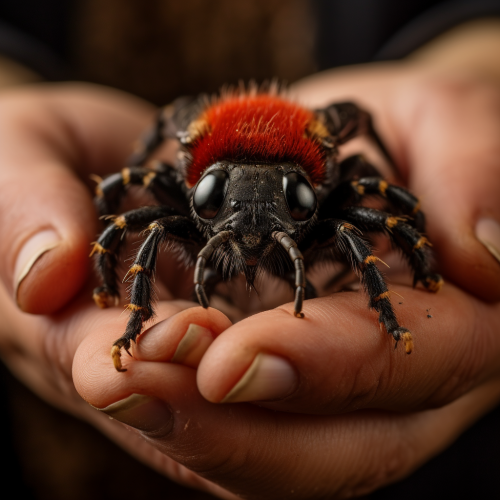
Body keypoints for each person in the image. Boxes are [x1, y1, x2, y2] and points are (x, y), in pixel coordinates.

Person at [1, 2, 500, 498]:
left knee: (362, 222)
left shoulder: (329, 198)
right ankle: (131, 313)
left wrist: (477, 68)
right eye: (216, 202)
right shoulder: (181, 159)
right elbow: (135, 179)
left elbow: (372, 161)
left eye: (298, 203)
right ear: (191, 181)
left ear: (317, 188)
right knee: (145, 224)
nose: (253, 228)